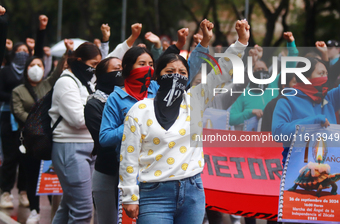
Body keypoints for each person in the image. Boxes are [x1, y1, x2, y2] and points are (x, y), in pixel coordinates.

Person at [118, 19, 250, 223]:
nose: (176, 77)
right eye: (169, 72)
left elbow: (221, 71)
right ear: (157, 76)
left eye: (182, 73)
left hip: (193, 193)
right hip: (154, 194)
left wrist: (241, 41)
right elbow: (129, 156)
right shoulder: (139, 111)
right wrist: (129, 197)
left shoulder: (195, 99)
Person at [49, 42, 102, 224]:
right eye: (93, 64)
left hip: (89, 148)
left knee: (69, 206)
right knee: (83, 209)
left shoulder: (86, 83)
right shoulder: (65, 82)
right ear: (79, 61)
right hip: (69, 148)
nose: (95, 69)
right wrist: (98, 112)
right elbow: (78, 120)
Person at [11, 54, 66, 224]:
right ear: (26, 69)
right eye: (32, 65)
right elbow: (18, 112)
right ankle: (34, 210)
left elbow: (58, 71)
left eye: (39, 65)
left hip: (50, 140)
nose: (36, 68)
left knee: (51, 176)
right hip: (29, 140)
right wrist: (38, 123)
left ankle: (54, 212)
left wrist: (67, 52)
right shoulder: (18, 91)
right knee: (32, 176)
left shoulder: (48, 84)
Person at [0, 14, 48, 208]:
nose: (21, 53)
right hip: (7, 118)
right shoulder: (5, 71)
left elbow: (40, 57)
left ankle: (23, 191)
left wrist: (41, 31)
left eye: (24, 51)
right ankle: (5, 192)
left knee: (26, 157)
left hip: (29, 123)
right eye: (18, 50)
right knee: (11, 157)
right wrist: (14, 98)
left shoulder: (31, 73)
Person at [272, 57, 340, 167]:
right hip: (297, 173)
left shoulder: (329, 98)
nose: (325, 78)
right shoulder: (287, 100)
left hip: (330, 169)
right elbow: (278, 133)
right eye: (321, 73)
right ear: (306, 78)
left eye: (326, 74)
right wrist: (313, 122)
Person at [84, 57, 124, 224]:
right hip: (107, 171)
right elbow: (104, 141)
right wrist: (134, 123)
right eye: (117, 69)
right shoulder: (94, 104)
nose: (122, 72)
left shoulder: (131, 99)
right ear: (103, 75)